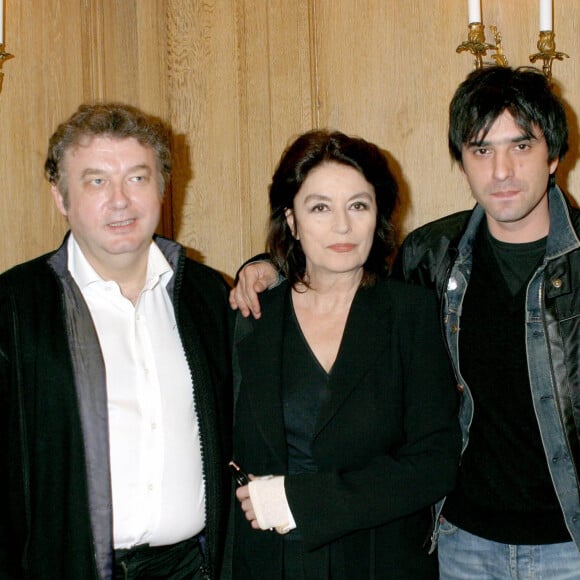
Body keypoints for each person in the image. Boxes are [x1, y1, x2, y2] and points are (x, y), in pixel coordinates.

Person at [230, 66, 580, 578]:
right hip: (462, 541)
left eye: (521, 146)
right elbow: (344, 270)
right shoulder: (432, 256)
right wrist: (270, 267)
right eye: (481, 150)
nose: (501, 170)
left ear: (553, 155)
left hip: (569, 542)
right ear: (461, 162)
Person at [0, 103, 232, 579]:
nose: (121, 200)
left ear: (164, 189)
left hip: (193, 568)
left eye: (138, 177)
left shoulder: (209, 298)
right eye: (96, 181)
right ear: (60, 197)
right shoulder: (14, 308)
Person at [229, 129, 461, 579]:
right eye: (320, 207)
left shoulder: (410, 312)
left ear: (379, 215)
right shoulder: (250, 316)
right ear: (291, 221)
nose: (342, 226)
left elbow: (436, 461)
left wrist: (308, 501)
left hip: (381, 561)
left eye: (358, 205)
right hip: (270, 565)